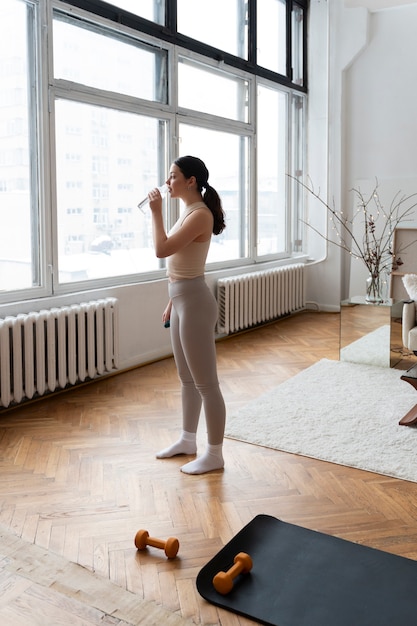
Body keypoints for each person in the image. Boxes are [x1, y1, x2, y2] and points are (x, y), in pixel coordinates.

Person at [147, 156, 226, 474]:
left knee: (206, 384)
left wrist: (155, 213)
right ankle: (187, 440)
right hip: (181, 300)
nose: (167, 182)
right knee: (187, 380)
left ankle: (215, 454)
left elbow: (162, 249)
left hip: (194, 302)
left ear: (190, 181)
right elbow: (180, 266)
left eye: (172, 176)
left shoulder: (200, 215)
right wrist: (171, 300)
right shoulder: (189, 213)